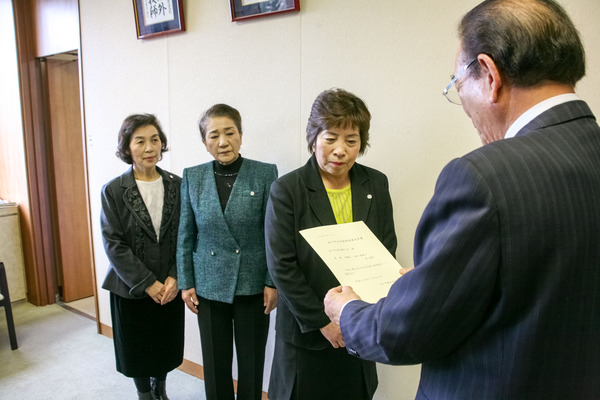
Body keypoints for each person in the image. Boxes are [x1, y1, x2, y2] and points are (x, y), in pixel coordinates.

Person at [324, 0, 600, 399]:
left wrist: (347, 311)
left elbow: (404, 333)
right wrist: (432, 281)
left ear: (489, 74)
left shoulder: (481, 177)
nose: (464, 107)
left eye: (457, 84)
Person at [265, 88, 397, 400]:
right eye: (330, 138)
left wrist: (360, 313)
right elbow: (282, 266)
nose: (340, 150)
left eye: (351, 140)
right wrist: (324, 322)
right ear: (313, 138)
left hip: (359, 323)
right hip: (307, 331)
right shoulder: (287, 190)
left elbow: (385, 248)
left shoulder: (375, 183)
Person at [176, 104, 278, 400]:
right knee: (215, 363)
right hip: (208, 285)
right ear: (205, 143)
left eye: (230, 132)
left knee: (252, 363)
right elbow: (185, 233)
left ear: (241, 135)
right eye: (214, 135)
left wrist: (272, 281)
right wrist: (186, 282)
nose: (223, 142)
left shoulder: (264, 173)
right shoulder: (193, 177)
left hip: (253, 283)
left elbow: (273, 233)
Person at [100, 114, 184, 400]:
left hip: (169, 285)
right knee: (137, 347)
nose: (150, 148)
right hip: (131, 286)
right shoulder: (113, 190)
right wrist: (148, 282)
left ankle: (160, 389)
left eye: (155, 140)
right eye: (140, 141)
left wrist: (174, 275)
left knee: (164, 343)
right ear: (127, 148)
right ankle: (143, 394)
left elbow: (184, 236)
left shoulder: (178, 184)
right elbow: (114, 243)